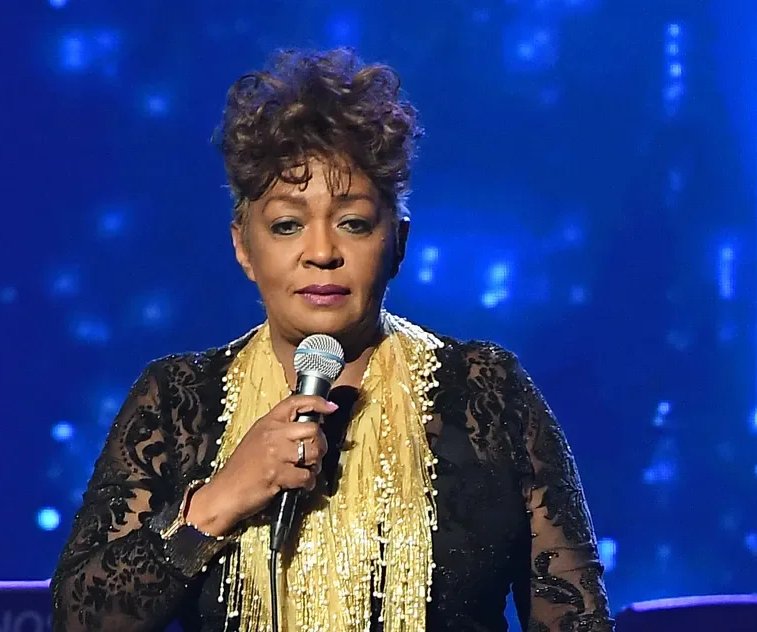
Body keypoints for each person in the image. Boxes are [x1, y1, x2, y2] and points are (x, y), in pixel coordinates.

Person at [50, 48, 614, 632]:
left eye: (353, 223)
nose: (321, 252)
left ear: (398, 242)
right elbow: (78, 619)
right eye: (287, 225)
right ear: (243, 246)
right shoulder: (177, 399)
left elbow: (578, 618)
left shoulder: (487, 393)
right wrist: (219, 500)